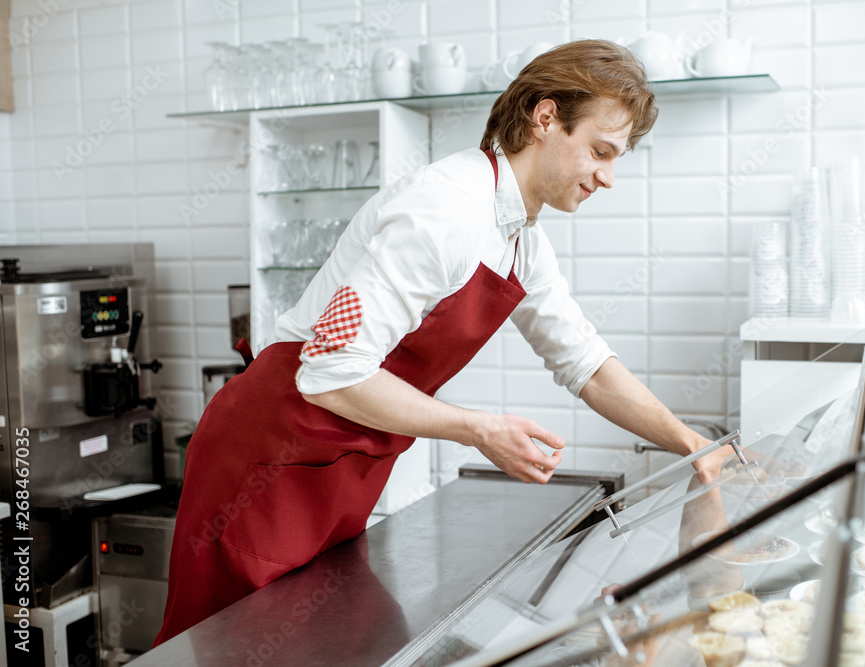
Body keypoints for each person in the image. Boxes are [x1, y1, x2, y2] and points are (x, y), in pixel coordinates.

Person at [155, 38, 733, 645]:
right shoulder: (446, 210)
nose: (607, 177)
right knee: (232, 649)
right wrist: (480, 429)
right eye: (599, 151)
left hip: (340, 465)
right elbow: (330, 367)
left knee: (317, 644)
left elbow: (584, 360)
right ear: (545, 118)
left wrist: (692, 445)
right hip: (267, 462)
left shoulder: (521, 238)